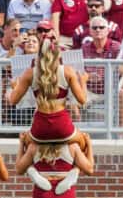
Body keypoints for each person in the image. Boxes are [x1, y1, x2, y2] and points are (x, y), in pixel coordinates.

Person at [5, 40, 90, 168]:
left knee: (28, 144)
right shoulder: (68, 71)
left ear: (38, 55)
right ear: (58, 55)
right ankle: (72, 169)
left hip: (40, 128)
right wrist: (83, 81)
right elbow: (82, 100)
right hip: (63, 127)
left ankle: (36, 168)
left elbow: (12, 100)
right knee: (84, 142)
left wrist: (14, 87)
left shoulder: (29, 73)